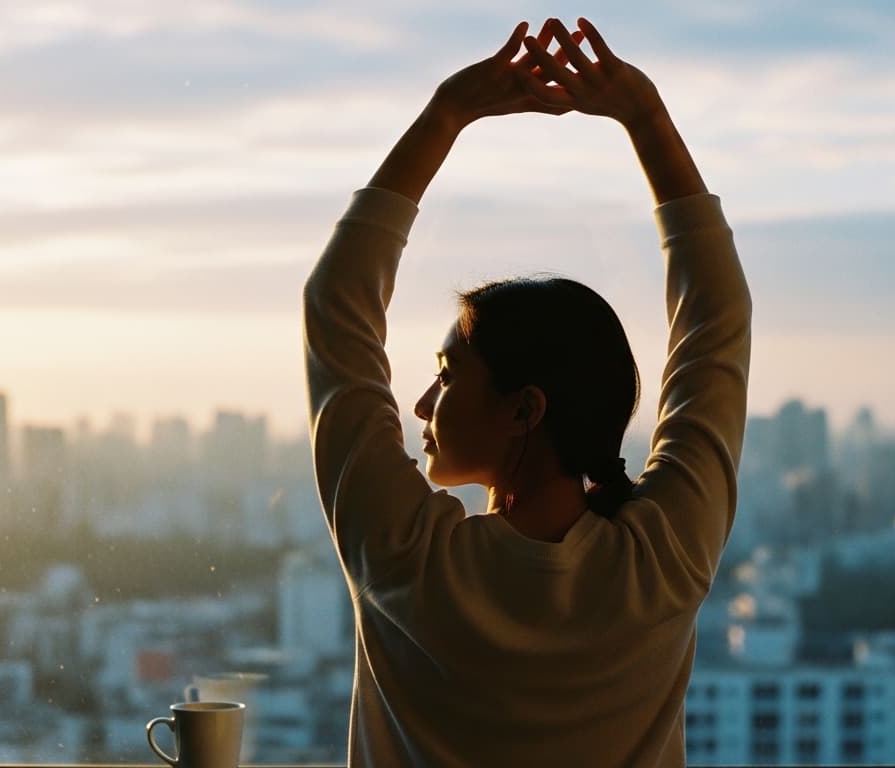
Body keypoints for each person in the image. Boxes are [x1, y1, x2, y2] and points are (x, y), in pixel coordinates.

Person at [303, 17, 752, 767]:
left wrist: (448, 113)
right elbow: (718, 317)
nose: (420, 405)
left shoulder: (406, 557)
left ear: (524, 409)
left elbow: (336, 300)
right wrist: (644, 118)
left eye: (447, 377)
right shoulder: (665, 559)